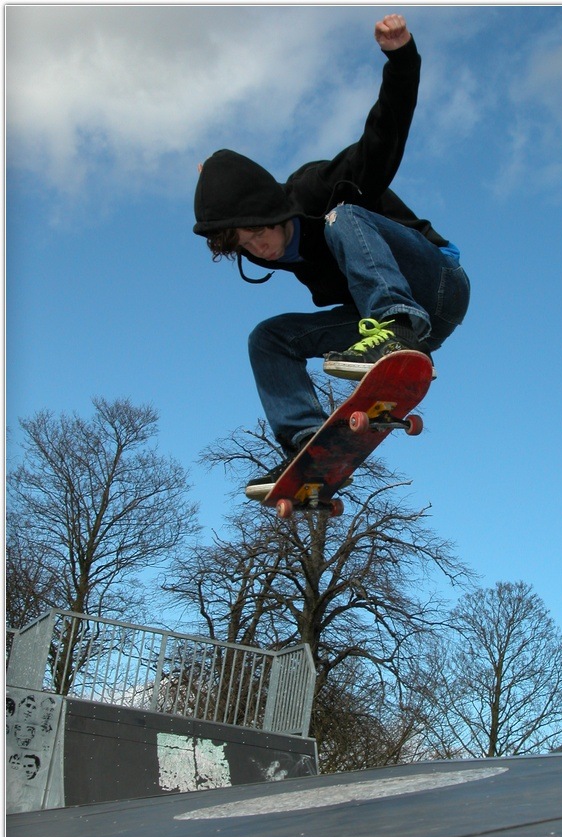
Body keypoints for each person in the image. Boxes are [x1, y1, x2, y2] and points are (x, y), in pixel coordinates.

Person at [193, 14, 470, 498]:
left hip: (438, 284)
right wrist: (217, 190)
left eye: (258, 232)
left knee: (343, 217)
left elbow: (383, 139)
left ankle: (397, 327)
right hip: (373, 318)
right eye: (244, 244)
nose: (259, 248)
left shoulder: (321, 187)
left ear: (275, 211)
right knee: (268, 338)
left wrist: (401, 60)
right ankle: (306, 441)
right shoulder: (255, 247)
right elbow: (232, 210)